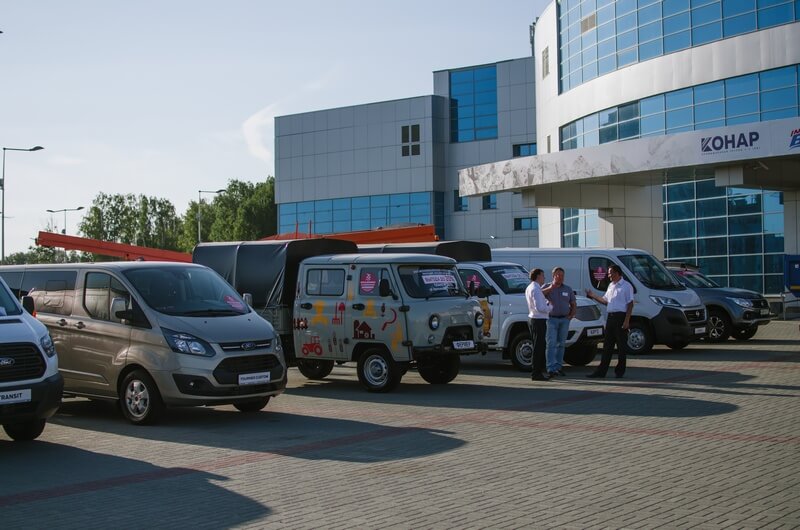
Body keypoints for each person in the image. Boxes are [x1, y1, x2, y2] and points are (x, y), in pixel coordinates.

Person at [585, 264, 634, 379]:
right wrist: (593, 295)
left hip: (621, 317)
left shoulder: (626, 286)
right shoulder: (611, 285)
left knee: (621, 346)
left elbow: (630, 304)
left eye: (610, 273)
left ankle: (620, 371)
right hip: (611, 317)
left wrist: (627, 321)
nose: (608, 275)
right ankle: (601, 371)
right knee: (607, 346)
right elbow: (605, 301)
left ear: (617, 273)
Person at [542, 267, 576, 378]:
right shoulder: (547, 286)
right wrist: (550, 288)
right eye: (558, 275)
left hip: (564, 320)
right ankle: (551, 368)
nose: (560, 277)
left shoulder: (567, 289)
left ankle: (558, 367)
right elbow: (538, 295)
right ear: (553, 276)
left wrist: (571, 315)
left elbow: (573, 303)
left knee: (561, 344)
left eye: (562, 275)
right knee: (551, 344)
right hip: (551, 319)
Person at [525, 268, 551, 381]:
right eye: (543, 275)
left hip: (535, 319)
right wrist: (550, 307)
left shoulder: (531, 287)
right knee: (538, 347)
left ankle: (539, 371)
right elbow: (540, 307)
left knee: (539, 346)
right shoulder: (535, 289)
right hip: (538, 320)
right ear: (538, 276)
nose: (544, 278)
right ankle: (536, 373)